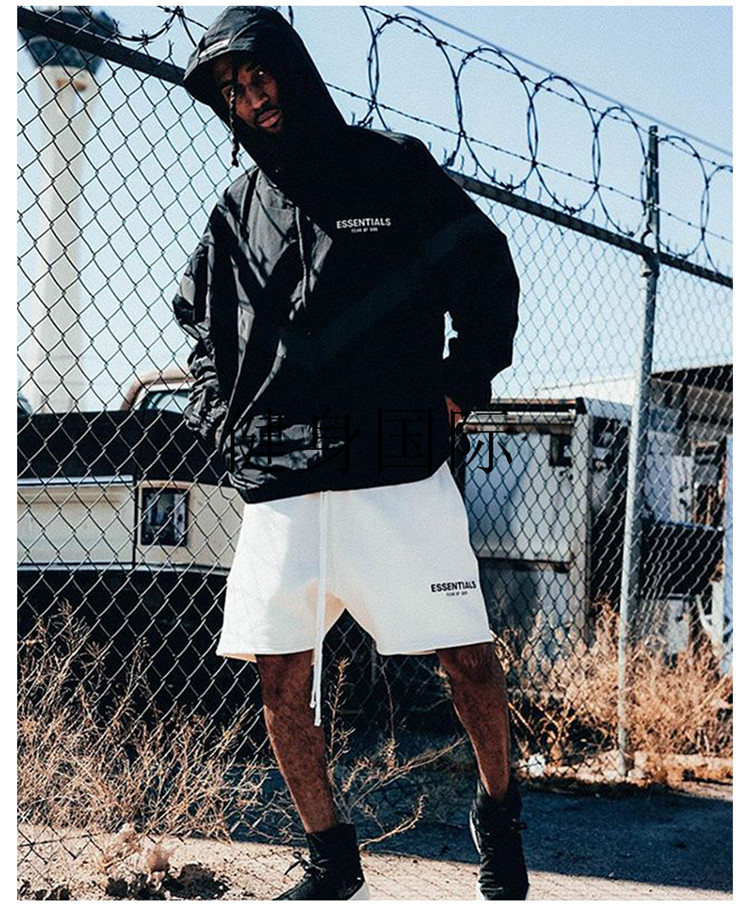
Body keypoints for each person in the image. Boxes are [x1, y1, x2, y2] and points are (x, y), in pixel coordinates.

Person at [174, 6, 528, 901]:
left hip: (396, 465)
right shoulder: (235, 213)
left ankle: (499, 813)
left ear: (291, 70)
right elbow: (200, 328)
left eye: (260, 76)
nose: (253, 98)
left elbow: (486, 271)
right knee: (280, 679)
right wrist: (221, 420)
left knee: (467, 659)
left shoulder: (391, 168)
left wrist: (460, 384)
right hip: (284, 481)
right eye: (233, 91)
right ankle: (333, 859)